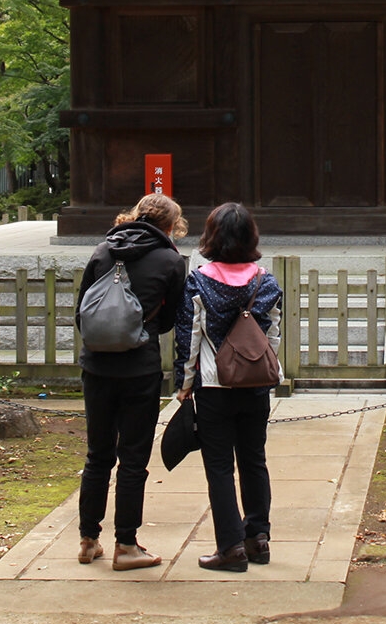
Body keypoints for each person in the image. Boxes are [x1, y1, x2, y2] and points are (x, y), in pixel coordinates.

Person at [76, 192, 187, 571]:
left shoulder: (103, 250)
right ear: (171, 226)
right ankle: (126, 544)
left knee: (97, 455)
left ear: (135, 215)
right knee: (133, 458)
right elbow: (171, 317)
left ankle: (88, 539)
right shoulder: (171, 260)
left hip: (96, 365)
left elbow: (82, 310)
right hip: (139, 366)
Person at [174, 202, 283, 572]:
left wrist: (184, 383)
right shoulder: (265, 280)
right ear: (251, 235)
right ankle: (259, 538)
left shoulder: (199, 279)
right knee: (254, 460)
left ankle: (231, 548)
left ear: (211, 236)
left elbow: (189, 336)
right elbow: (272, 334)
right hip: (254, 384)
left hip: (213, 385)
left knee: (219, 467)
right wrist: (267, 371)